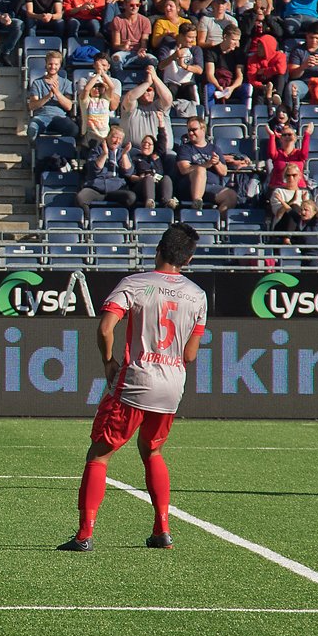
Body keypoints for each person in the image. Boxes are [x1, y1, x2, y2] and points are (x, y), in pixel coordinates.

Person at [59, 223, 205, 554]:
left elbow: (106, 327)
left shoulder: (136, 284)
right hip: (172, 384)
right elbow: (190, 354)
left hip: (136, 380)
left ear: (158, 249)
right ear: (189, 257)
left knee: (99, 454)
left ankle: (84, 534)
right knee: (152, 451)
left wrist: (108, 361)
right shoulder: (197, 295)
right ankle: (162, 530)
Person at [173, 117, 249, 213]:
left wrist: (216, 162)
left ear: (203, 129)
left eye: (194, 130)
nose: (191, 133)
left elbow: (224, 172)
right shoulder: (185, 148)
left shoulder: (214, 149)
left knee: (231, 196)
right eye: (189, 130)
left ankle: (216, 219)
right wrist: (206, 164)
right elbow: (184, 169)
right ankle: (197, 205)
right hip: (189, 187)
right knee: (200, 170)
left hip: (210, 187)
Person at [76, 128, 137, 214]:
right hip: (96, 188)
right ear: (107, 137)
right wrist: (104, 154)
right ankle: (89, 221)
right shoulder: (96, 150)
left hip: (116, 189)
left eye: (120, 139)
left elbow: (128, 172)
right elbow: (94, 170)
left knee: (131, 197)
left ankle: (120, 220)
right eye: (115, 137)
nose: (117, 141)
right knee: (81, 198)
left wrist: (124, 155)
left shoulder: (122, 152)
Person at [26, 50, 76, 140]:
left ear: (60, 65)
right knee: (31, 130)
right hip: (41, 117)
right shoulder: (37, 83)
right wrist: (48, 96)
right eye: (50, 64)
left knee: (73, 129)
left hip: (60, 117)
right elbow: (32, 106)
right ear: (46, 64)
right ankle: (37, 152)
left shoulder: (66, 83)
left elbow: (68, 106)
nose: (53, 67)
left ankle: (59, 149)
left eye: (56, 64)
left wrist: (57, 93)